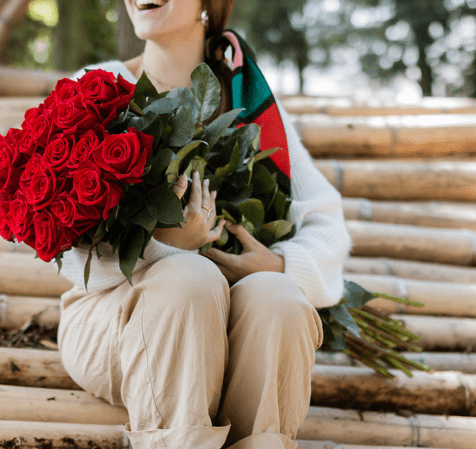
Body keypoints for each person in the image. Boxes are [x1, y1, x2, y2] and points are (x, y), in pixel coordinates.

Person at [57, 0, 352, 448]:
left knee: (279, 298)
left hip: (228, 331)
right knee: (188, 279)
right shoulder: (97, 88)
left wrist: (276, 265)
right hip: (115, 321)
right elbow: (64, 252)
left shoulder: (246, 97)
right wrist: (163, 246)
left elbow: (327, 223)